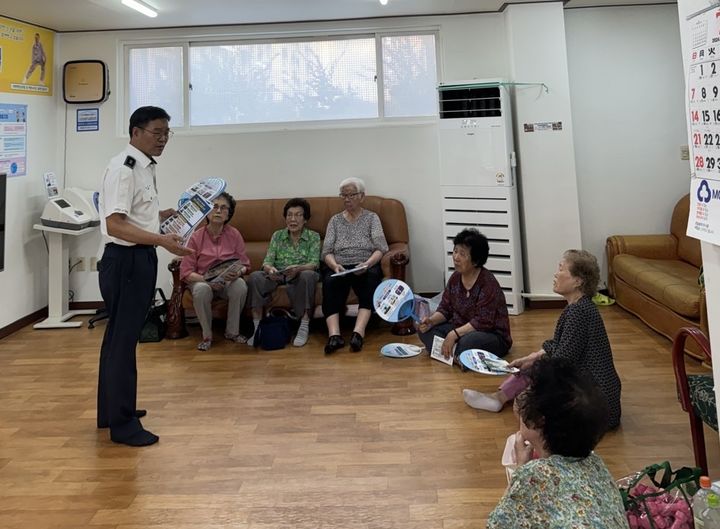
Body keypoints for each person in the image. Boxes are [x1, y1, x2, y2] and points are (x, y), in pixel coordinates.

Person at [97, 106, 191, 447]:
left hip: (136, 259)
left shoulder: (143, 166)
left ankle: (111, 412)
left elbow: (135, 214)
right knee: (123, 343)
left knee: (117, 340)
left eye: (167, 133)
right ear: (135, 132)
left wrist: (161, 216)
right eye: (156, 132)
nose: (163, 139)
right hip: (126, 262)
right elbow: (115, 224)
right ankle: (123, 427)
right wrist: (162, 240)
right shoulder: (125, 168)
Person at [463, 249, 622, 430]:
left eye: (561, 269)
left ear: (578, 281)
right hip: (596, 399)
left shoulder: (579, 312)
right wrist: (532, 358)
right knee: (535, 366)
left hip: (593, 406)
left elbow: (562, 362)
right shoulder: (580, 308)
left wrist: (533, 378)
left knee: (530, 402)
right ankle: (498, 398)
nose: (556, 274)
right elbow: (560, 346)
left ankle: (500, 399)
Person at [487, 356, 629, 529]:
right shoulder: (597, 463)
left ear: (538, 420)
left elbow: (497, 524)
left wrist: (520, 471)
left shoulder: (532, 475)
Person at [417, 228, 511, 362]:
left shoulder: (488, 283)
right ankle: (456, 355)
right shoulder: (455, 279)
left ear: (476, 261)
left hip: (490, 334)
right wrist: (431, 321)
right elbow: (445, 309)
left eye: (462, 254)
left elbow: (482, 322)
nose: (456, 257)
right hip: (459, 329)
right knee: (424, 330)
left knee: (468, 342)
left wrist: (453, 335)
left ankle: (449, 352)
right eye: (455, 251)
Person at [322, 177, 388, 354]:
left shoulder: (371, 218)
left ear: (362, 196)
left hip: (365, 263)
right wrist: (335, 265)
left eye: (351, 195)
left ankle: (358, 333)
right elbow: (326, 251)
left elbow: (381, 248)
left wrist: (367, 264)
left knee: (371, 279)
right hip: (340, 265)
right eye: (343, 195)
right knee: (329, 282)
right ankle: (334, 335)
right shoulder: (335, 220)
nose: (347, 199)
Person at [179, 192, 251, 351]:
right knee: (201, 289)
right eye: (214, 207)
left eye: (223, 208)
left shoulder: (234, 234)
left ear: (228, 214)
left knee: (239, 285)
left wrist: (238, 273)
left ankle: (232, 332)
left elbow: (245, 265)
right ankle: (207, 336)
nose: (218, 211)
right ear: (207, 211)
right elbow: (185, 272)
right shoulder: (196, 237)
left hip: (227, 282)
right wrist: (207, 280)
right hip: (202, 281)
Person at [246, 198, 321, 347]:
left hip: (300, 274)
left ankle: (304, 325)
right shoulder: (277, 235)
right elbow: (267, 261)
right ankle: (257, 329)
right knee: (255, 277)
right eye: (289, 215)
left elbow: (314, 264)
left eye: (298, 215)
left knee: (308, 275)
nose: (293, 219)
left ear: (305, 219)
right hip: (278, 274)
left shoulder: (314, 237)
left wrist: (298, 268)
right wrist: (270, 269)